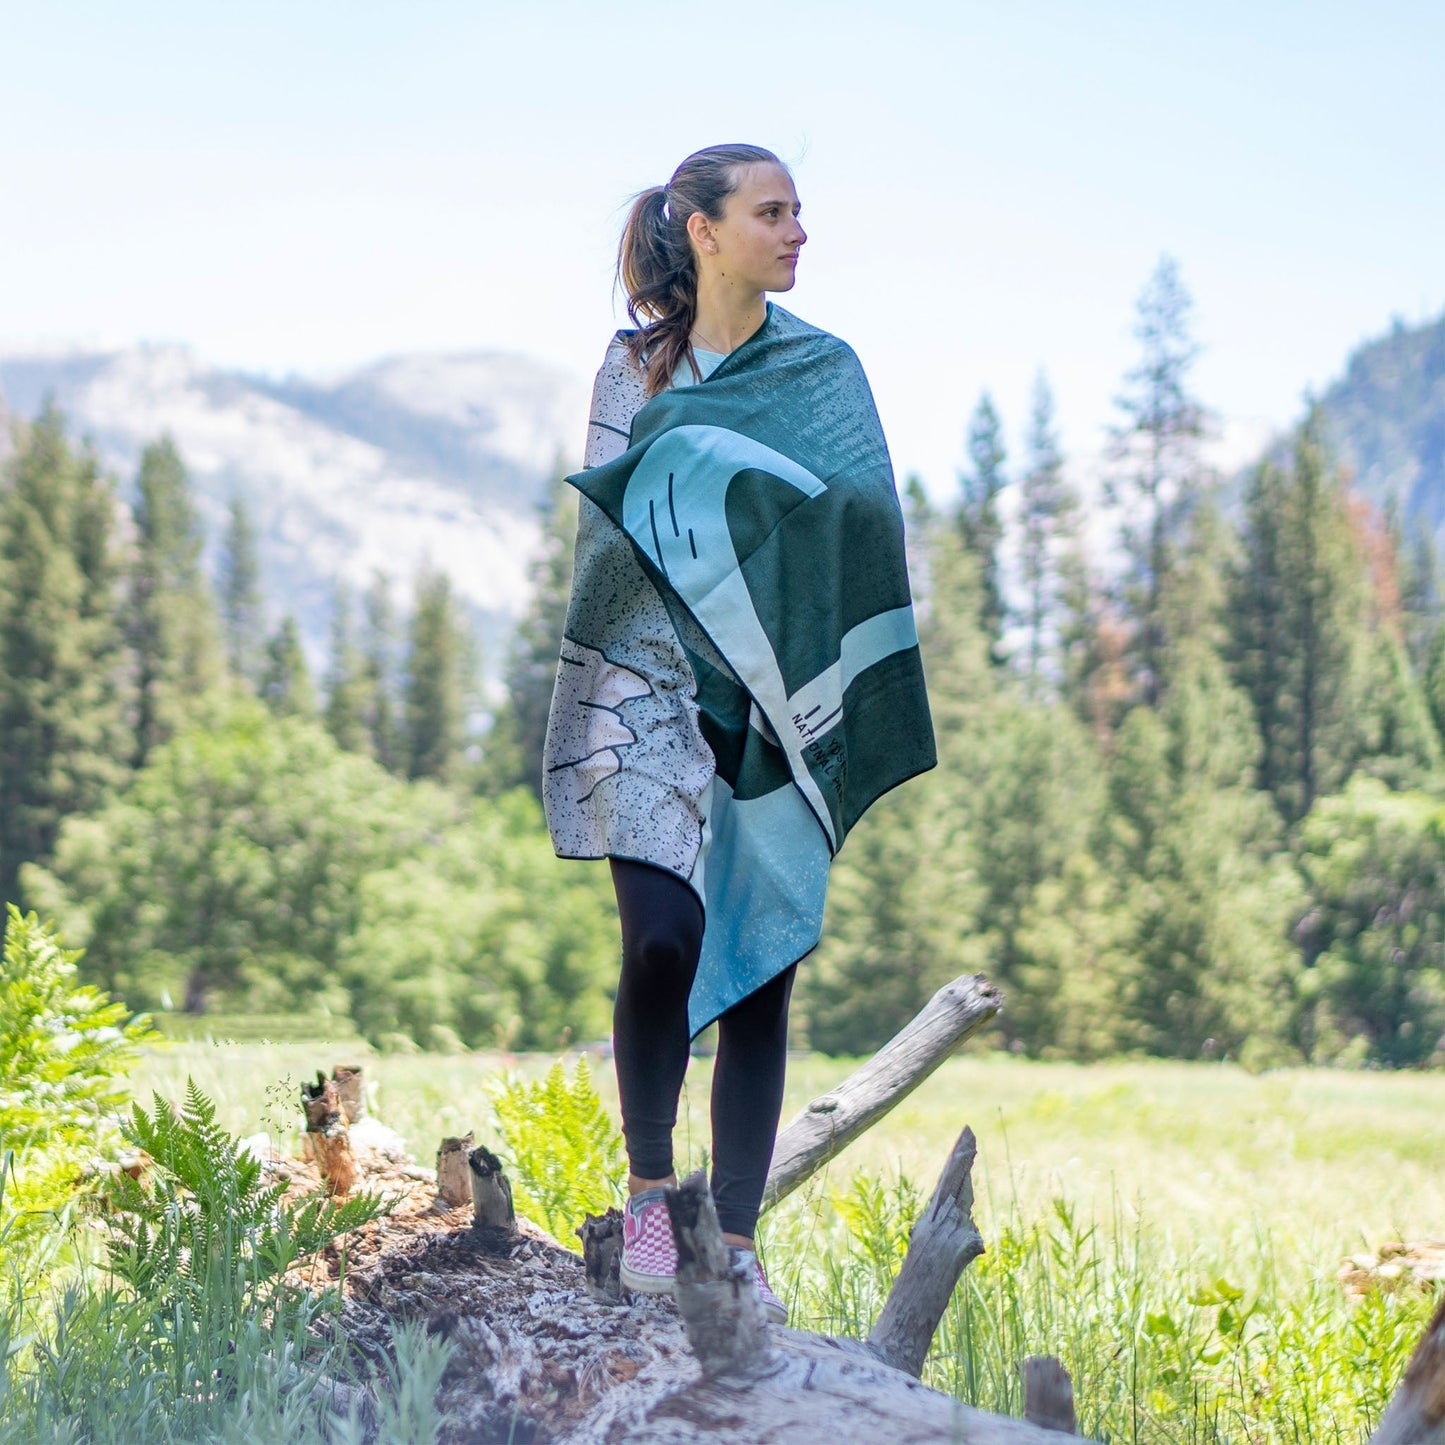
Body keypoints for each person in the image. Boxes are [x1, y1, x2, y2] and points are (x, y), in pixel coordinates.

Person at [542, 144, 935, 1325]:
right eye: (771, 212)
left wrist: (774, 579)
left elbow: (862, 511)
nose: (796, 231)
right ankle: (649, 1191)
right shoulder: (635, 368)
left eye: (798, 211)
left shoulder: (822, 370)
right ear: (703, 230)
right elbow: (616, 527)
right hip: (647, 691)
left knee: (759, 963)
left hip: (779, 693)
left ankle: (737, 1239)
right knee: (662, 941)